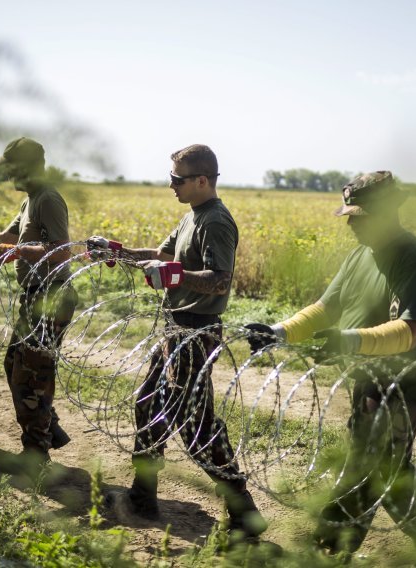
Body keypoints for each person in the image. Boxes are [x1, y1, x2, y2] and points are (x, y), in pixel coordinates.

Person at [244, 171, 416, 565]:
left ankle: (329, 547)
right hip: (368, 379)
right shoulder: (360, 255)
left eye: (359, 216)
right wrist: (278, 332)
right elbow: (326, 308)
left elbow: (410, 331)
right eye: (349, 215)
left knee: (371, 467)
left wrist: (349, 340)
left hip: (406, 381)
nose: (351, 223)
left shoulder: (413, 257)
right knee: (385, 469)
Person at [87, 144, 266, 541]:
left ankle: (243, 510)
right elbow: (160, 255)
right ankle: (143, 494)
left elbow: (220, 278)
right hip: (175, 330)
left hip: (196, 331)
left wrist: (174, 276)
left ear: (202, 180)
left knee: (196, 426)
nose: (171, 186)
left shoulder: (216, 221)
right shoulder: (192, 216)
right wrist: (117, 252)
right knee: (149, 403)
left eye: (177, 180)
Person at [0, 137, 76, 464]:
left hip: (50, 297)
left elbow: (61, 251)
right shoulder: (30, 200)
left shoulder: (48, 199)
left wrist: (18, 252)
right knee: (15, 364)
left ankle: (36, 455)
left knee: (31, 376)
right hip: (34, 297)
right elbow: (8, 237)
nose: (9, 173)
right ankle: (49, 429)